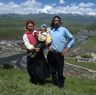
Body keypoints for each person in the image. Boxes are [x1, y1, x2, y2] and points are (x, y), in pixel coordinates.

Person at [47, 16, 75, 88]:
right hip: (51, 54)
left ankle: (61, 85)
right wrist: (48, 46)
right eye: (55, 20)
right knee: (52, 70)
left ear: (60, 22)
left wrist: (67, 48)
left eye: (57, 20)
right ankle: (54, 83)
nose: (56, 21)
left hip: (60, 54)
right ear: (53, 21)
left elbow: (72, 39)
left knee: (60, 71)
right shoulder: (50, 30)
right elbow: (46, 40)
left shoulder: (64, 30)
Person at [23, 20, 49, 84]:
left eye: (32, 26)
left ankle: (41, 81)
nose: (30, 27)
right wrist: (33, 48)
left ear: (33, 26)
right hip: (31, 53)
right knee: (31, 68)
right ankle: (34, 80)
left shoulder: (38, 33)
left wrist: (40, 47)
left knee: (41, 67)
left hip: (39, 53)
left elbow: (43, 40)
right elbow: (26, 43)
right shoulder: (25, 35)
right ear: (27, 27)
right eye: (29, 26)